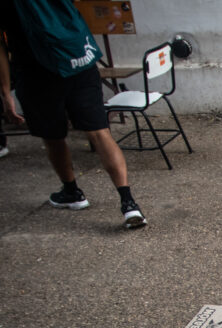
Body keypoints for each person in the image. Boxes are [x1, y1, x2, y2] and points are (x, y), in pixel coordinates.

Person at [0, 2, 147, 228]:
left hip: (37, 72)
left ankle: (72, 192)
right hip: (80, 60)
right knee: (99, 132)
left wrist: (5, 93)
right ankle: (129, 204)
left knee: (54, 137)